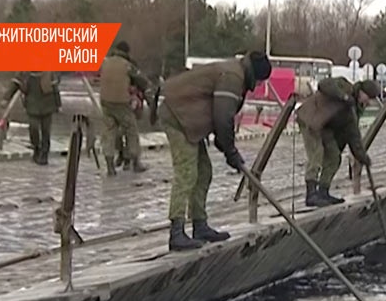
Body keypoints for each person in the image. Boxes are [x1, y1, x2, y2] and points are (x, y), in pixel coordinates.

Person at [157, 51, 272, 251]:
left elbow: (221, 121)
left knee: (204, 172)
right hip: (177, 116)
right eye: (260, 81)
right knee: (187, 172)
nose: (258, 86)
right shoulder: (233, 77)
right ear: (255, 74)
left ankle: (200, 225)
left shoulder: (236, 73)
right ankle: (176, 233)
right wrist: (231, 153)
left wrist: (227, 148)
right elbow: (223, 118)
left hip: (190, 121)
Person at [295, 77, 380, 207]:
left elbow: (353, 136)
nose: (368, 102)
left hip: (324, 126)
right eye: (368, 98)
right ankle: (311, 194)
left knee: (334, 157)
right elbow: (323, 84)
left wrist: (362, 157)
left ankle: (323, 191)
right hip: (310, 118)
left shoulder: (354, 110)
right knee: (316, 155)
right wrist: (344, 97)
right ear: (362, 92)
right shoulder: (345, 86)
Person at [99, 41, 150, 176]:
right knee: (131, 130)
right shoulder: (127, 65)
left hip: (105, 102)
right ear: (127, 52)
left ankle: (110, 167)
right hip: (121, 102)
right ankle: (135, 162)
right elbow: (143, 81)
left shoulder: (105, 62)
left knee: (109, 133)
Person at [1, 71, 61, 165]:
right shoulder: (24, 73)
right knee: (33, 128)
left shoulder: (49, 72)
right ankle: (36, 149)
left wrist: (58, 104)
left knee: (46, 131)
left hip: (48, 104)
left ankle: (44, 155)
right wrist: (6, 98)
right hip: (32, 105)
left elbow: (55, 89)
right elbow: (14, 85)